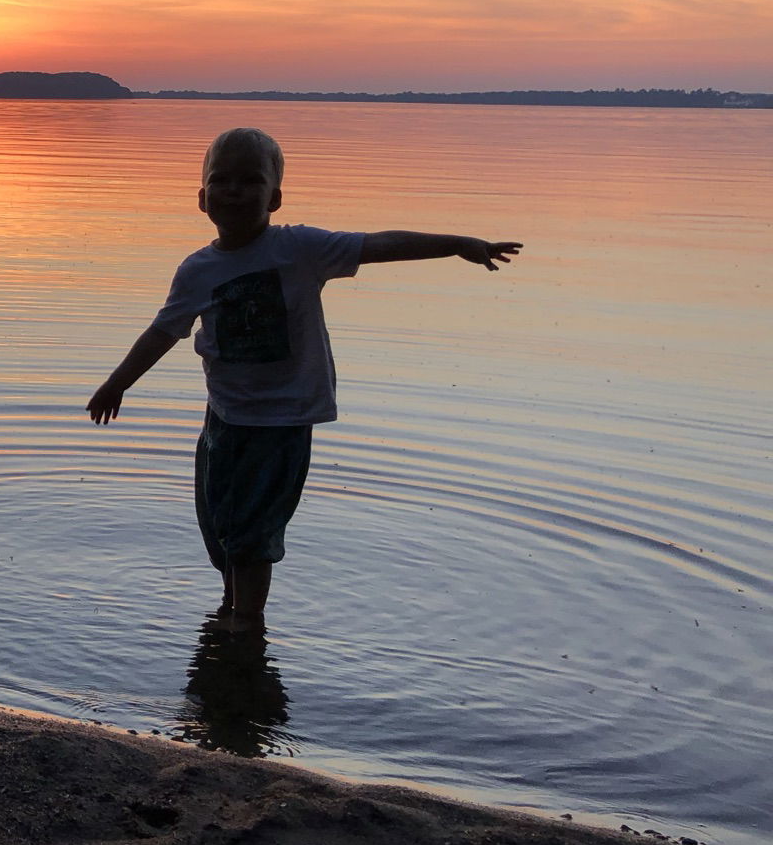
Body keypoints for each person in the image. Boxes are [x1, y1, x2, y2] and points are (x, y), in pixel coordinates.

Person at [85, 127, 520, 633]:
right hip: (224, 418)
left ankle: (246, 625)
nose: (234, 190)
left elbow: (380, 244)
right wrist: (118, 382)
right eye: (220, 180)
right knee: (219, 526)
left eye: (251, 181)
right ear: (201, 198)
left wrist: (458, 245)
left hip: (282, 421)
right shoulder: (197, 270)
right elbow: (164, 330)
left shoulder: (301, 248)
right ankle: (229, 612)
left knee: (251, 533)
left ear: (275, 196)